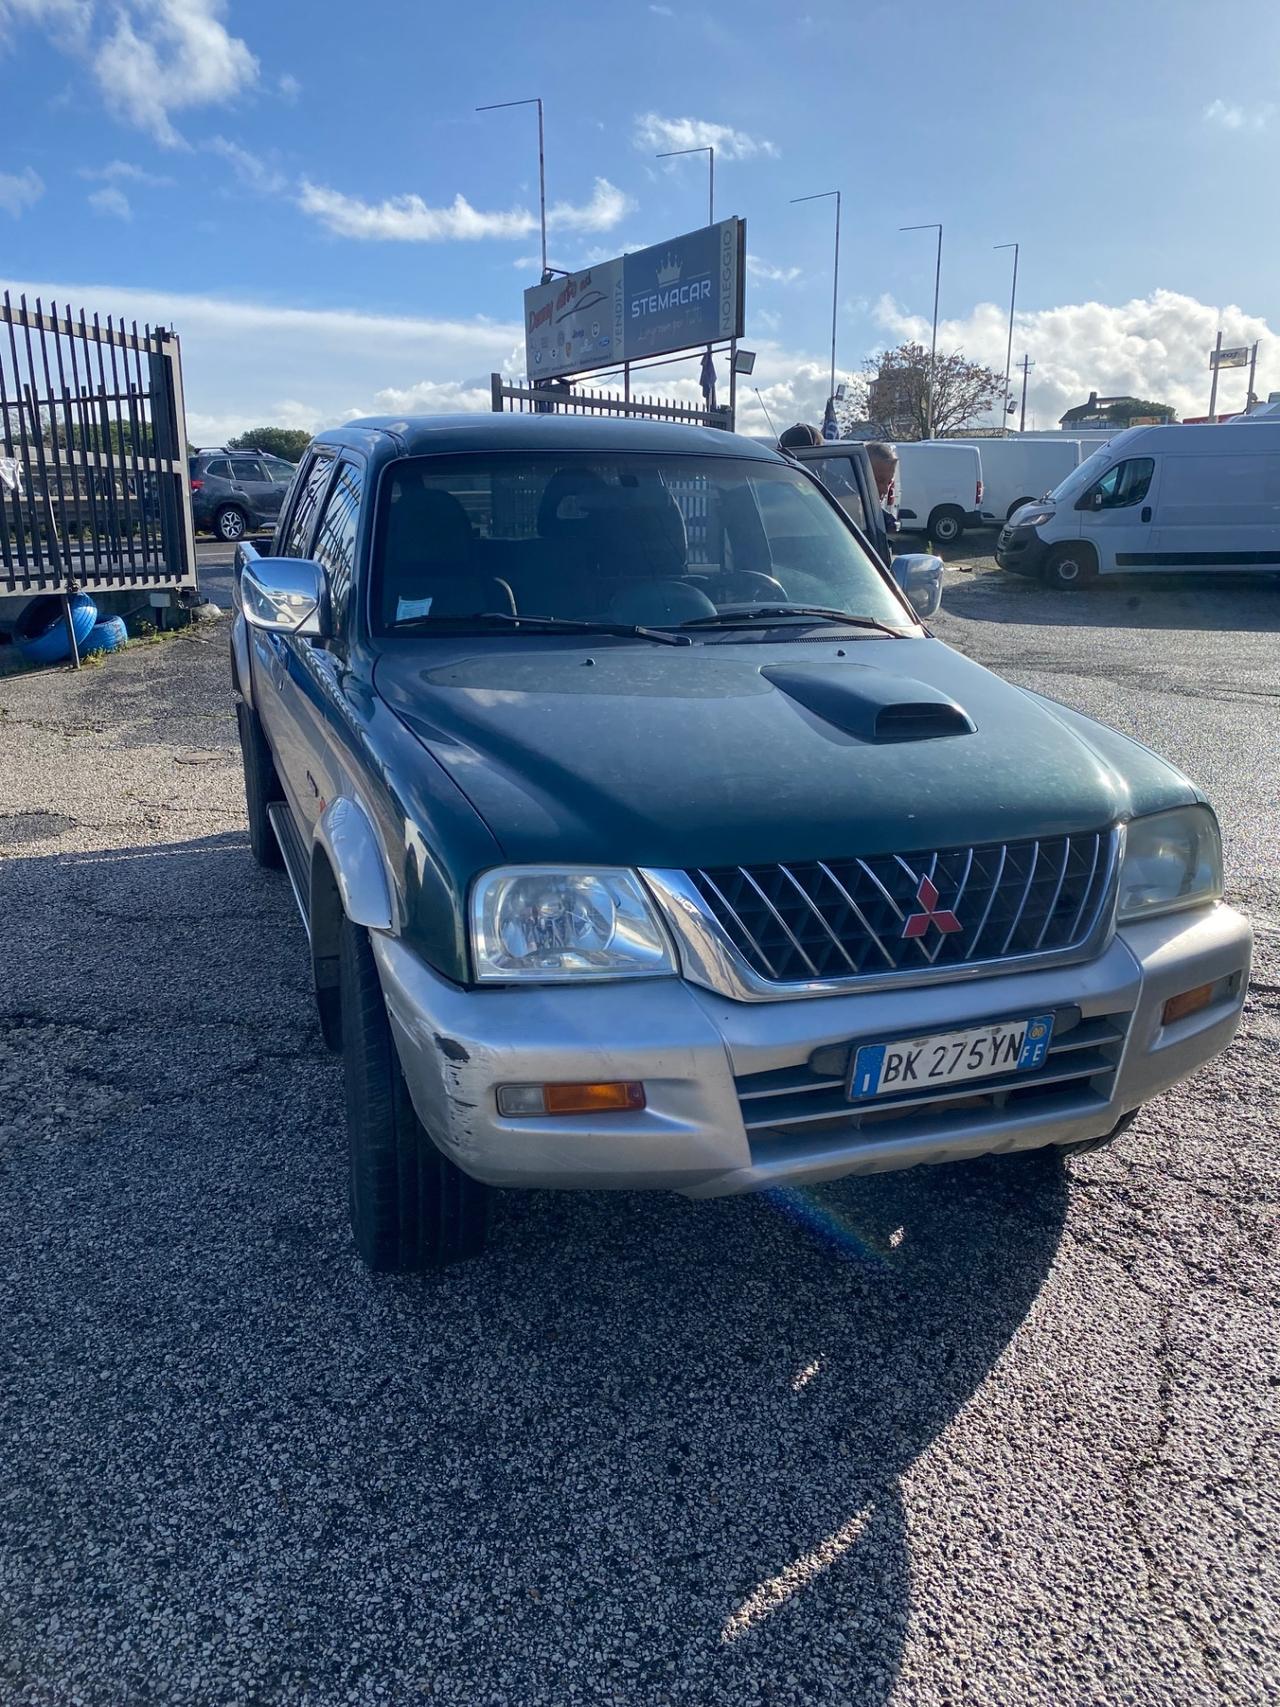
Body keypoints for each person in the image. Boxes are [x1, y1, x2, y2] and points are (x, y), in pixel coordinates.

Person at [866, 441, 900, 532]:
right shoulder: (846, 511)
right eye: (880, 480)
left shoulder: (884, 520)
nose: (885, 490)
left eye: (889, 483)